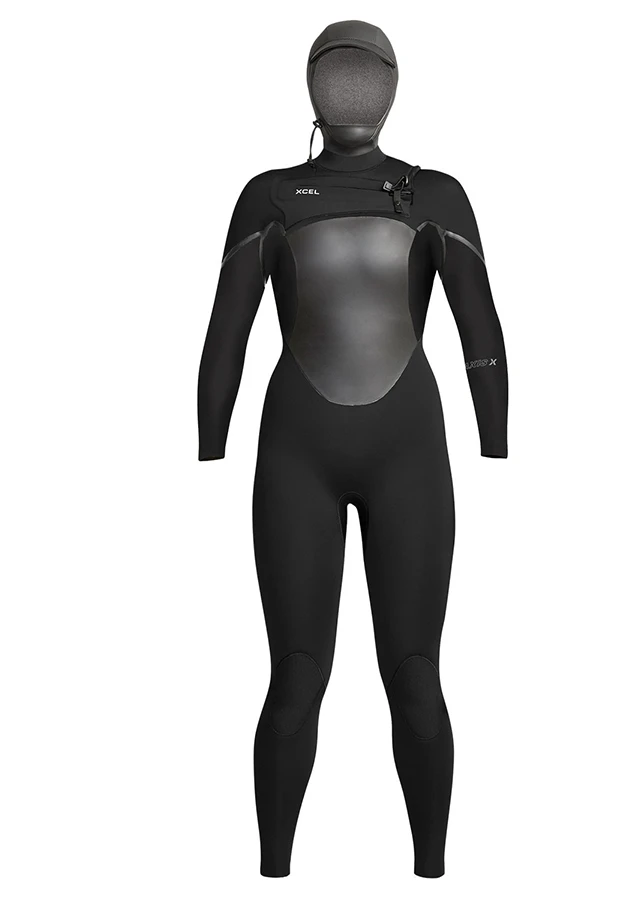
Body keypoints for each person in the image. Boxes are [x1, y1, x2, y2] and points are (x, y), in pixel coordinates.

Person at [198, 19, 508, 878]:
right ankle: (280, 871)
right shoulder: (280, 196)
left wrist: (496, 434)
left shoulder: (423, 195)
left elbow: (225, 339)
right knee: (313, 676)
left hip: (373, 453)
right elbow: (482, 330)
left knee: (399, 675)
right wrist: (209, 437)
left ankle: (424, 871)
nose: (350, 92)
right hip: (326, 455)